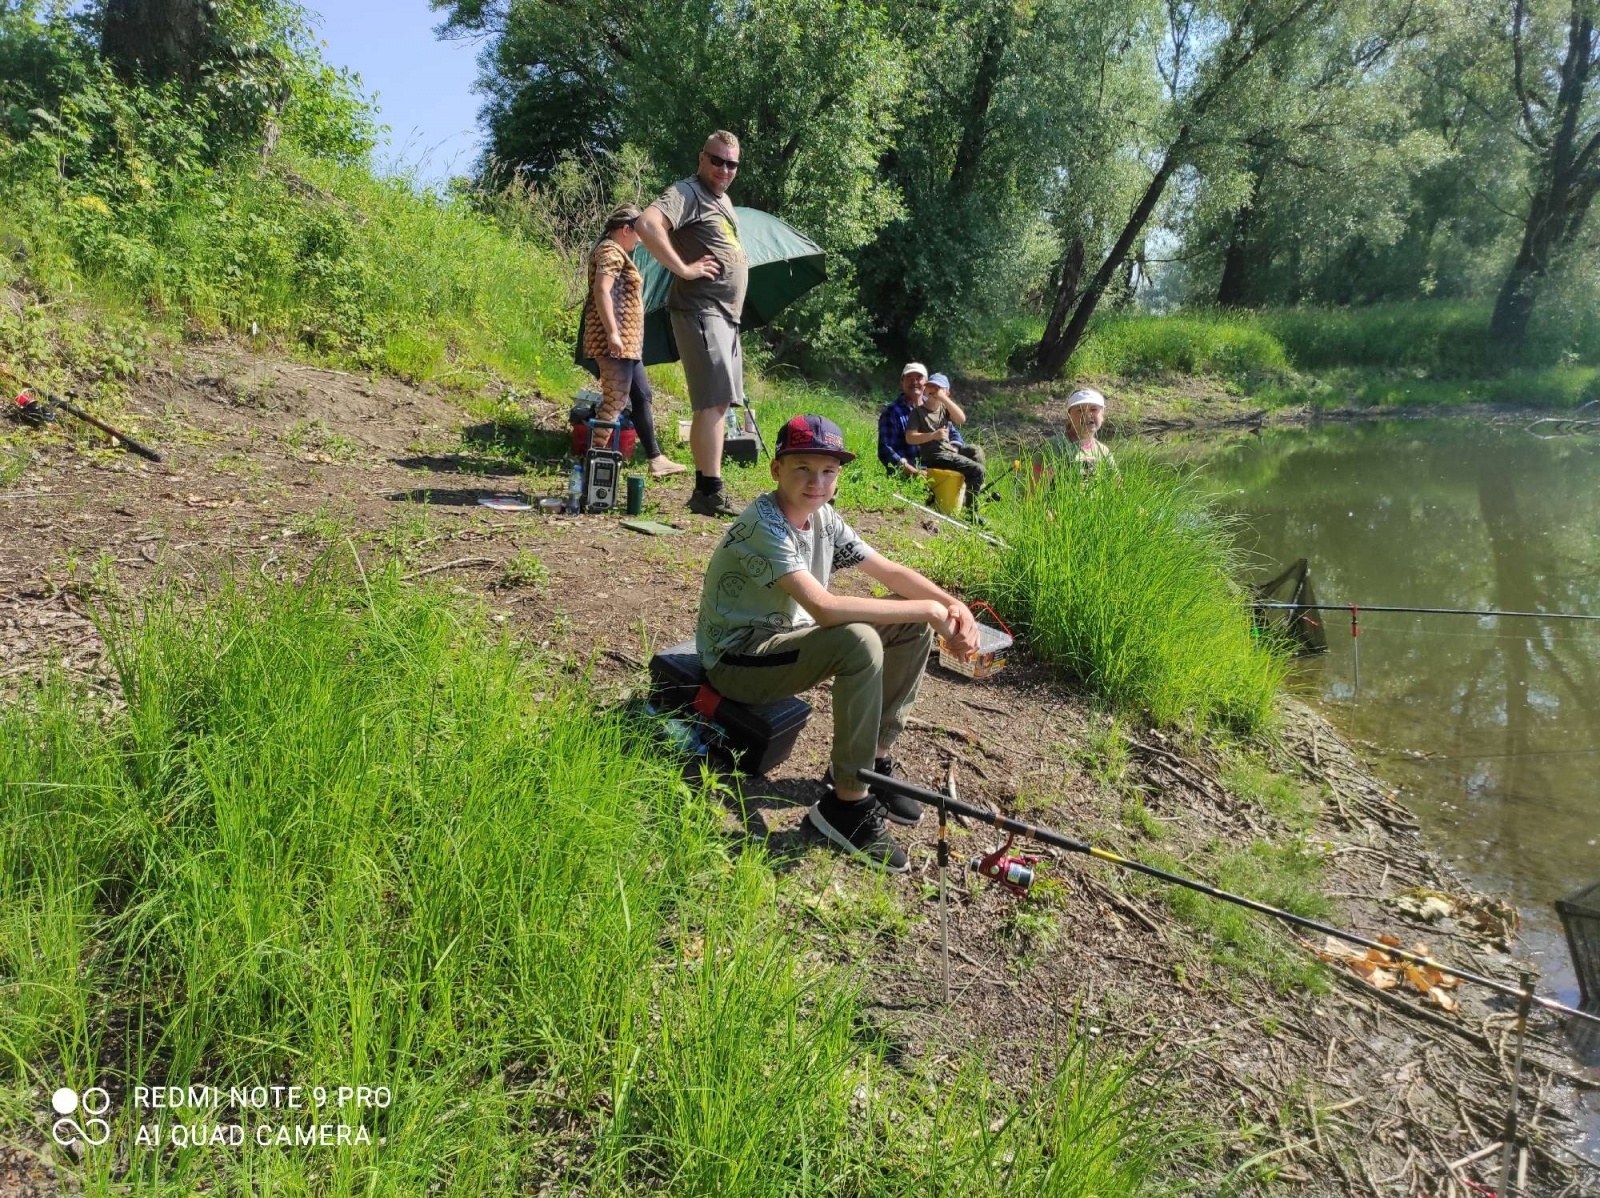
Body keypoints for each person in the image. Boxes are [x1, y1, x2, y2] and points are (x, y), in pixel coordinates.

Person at [697, 413, 980, 872]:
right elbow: (826, 609)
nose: (816, 481)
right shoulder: (762, 527)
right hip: (740, 660)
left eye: (828, 471)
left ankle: (872, 762)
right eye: (803, 468)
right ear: (776, 470)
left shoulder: (823, 518)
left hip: (789, 642)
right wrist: (929, 610)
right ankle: (845, 806)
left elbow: (890, 572)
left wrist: (952, 604)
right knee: (858, 640)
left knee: (909, 624)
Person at [635, 131, 749, 517]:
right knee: (713, 400)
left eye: (732, 164)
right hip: (700, 309)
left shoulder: (723, 200)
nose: (724, 169)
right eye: (717, 160)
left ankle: (707, 488)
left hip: (724, 315)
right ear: (702, 158)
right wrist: (683, 268)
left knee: (718, 403)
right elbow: (647, 224)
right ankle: (709, 490)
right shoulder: (686, 192)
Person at [581, 204, 688, 478]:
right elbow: (602, 291)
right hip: (614, 344)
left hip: (628, 345)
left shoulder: (616, 252)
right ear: (626, 229)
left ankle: (655, 458)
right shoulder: (609, 251)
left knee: (642, 396)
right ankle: (592, 464)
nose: (640, 239)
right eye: (637, 233)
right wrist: (613, 333)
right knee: (614, 401)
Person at [906, 372, 985, 509]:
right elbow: (910, 438)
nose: (933, 390)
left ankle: (970, 493)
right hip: (936, 456)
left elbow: (961, 419)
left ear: (946, 392)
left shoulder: (944, 408)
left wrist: (944, 399)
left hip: (948, 452)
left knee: (976, 451)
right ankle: (972, 511)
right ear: (925, 389)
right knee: (977, 470)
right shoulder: (918, 412)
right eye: (930, 386)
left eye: (938, 387)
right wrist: (933, 435)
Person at [1037, 387, 1117, 478]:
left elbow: (1118, 486)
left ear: (1102, 415)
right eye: (1080, 410)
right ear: (1069, 416)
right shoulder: (1054, 446)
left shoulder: (1104, 451)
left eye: (1093, 409)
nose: (1087, 415)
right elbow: (1034, 490)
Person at [877, 363, 929, 477]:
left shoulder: (935, 407)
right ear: (902, 382)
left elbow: (953, 434)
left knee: (972, 452)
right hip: (909, 475)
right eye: (909, 378)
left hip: (939, 471)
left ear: (926, 382)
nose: (914, 382)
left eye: (919, 378)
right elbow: (885, 450)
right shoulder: (891, 412)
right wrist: (912, 472)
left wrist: (954, 447)